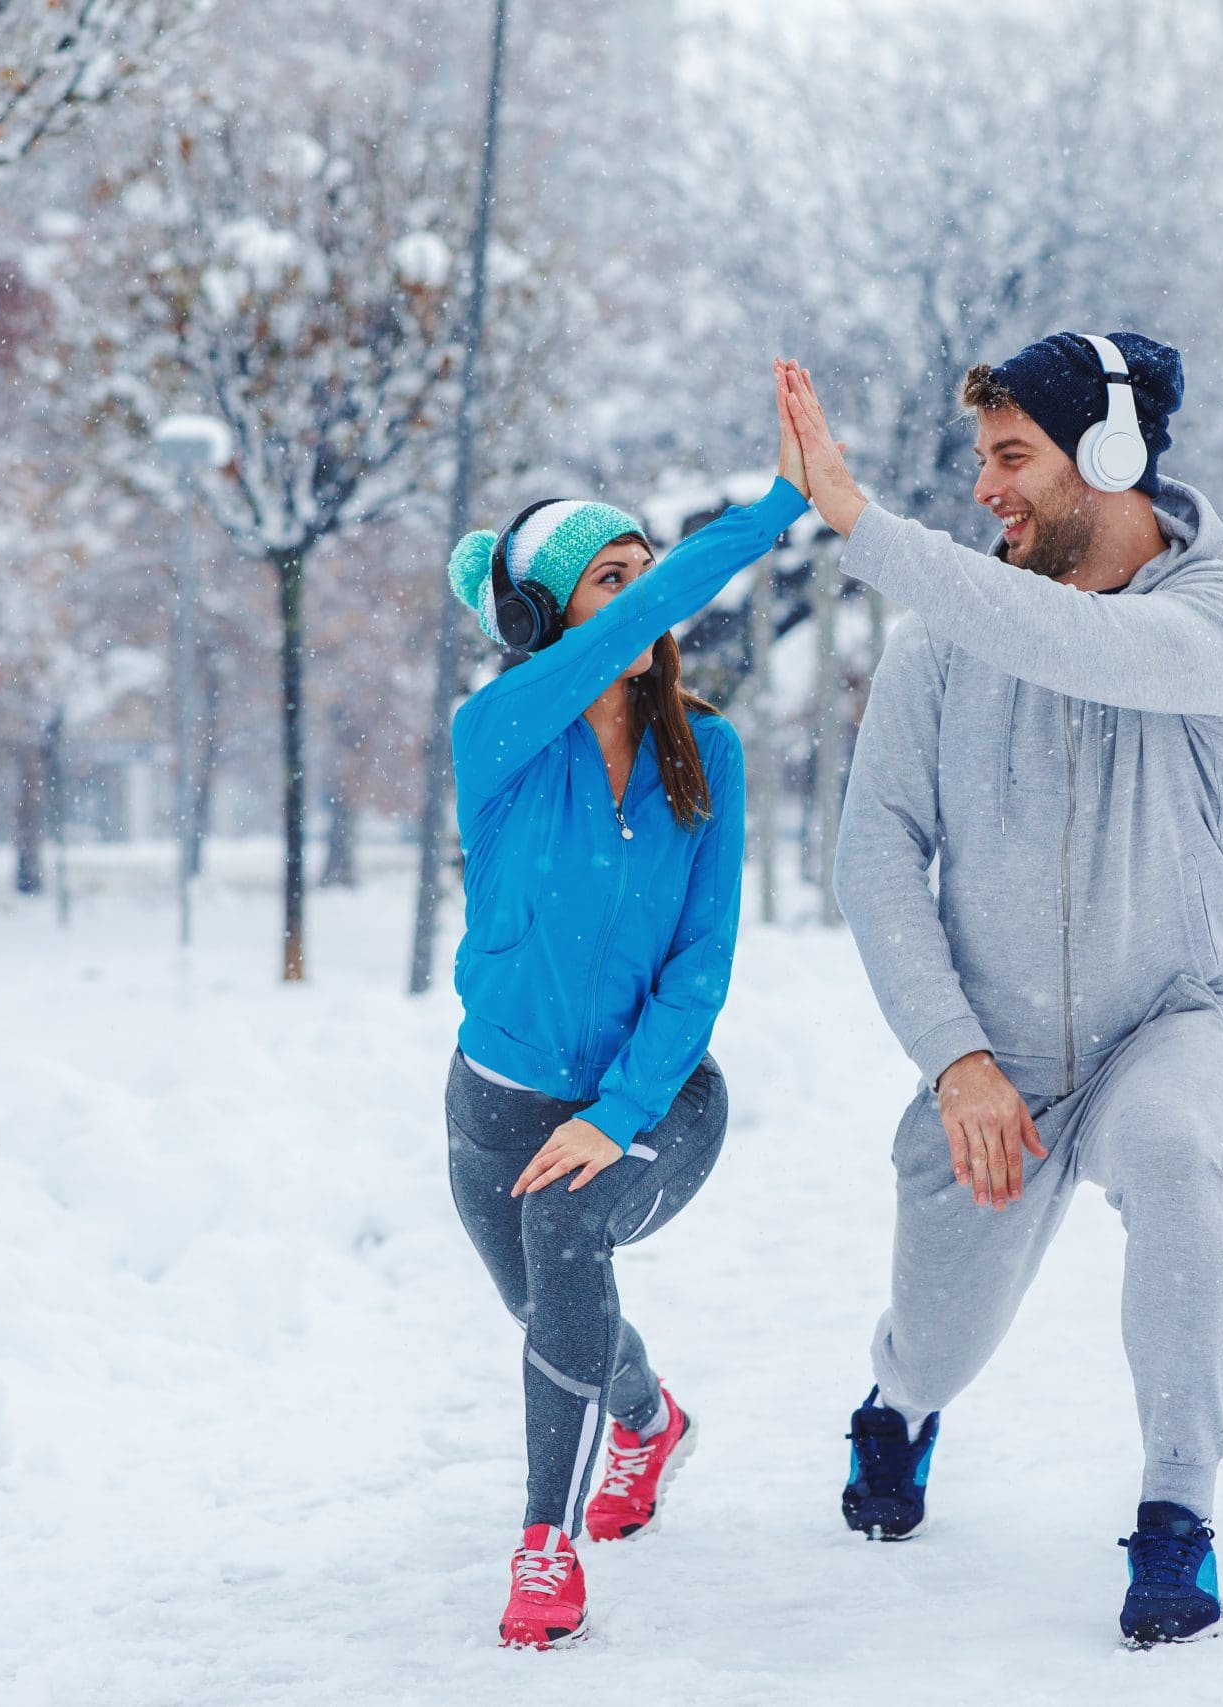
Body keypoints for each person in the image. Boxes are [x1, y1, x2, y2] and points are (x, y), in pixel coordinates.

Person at [775, 337, 1223, 1646]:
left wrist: (863, 524)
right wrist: (956, 1056)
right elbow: (876, 849)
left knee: (1180, 1153)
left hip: (1167, 1018)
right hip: (995, 1049)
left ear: (1112, 457)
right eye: (978, 461)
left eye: (1013, 457)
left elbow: (1092, 647)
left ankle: (1177, 1515)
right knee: (940, 1337)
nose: (985, 489)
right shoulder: (940, 648)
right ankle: (898, 1401)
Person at [443, 369, 811, 1650]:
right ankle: (650, 1424)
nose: (644, 598)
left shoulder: (703, 753)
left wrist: (619, 1112)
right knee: (553, 1311)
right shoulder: (495, 736)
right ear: (545, 620)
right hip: (493, 1106)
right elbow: (617, 637)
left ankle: (543, 1550)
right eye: (612, 579)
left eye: (650, 574)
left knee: (566, 1228)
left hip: (658, 1098)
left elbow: (700, 963)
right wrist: (756, 521)